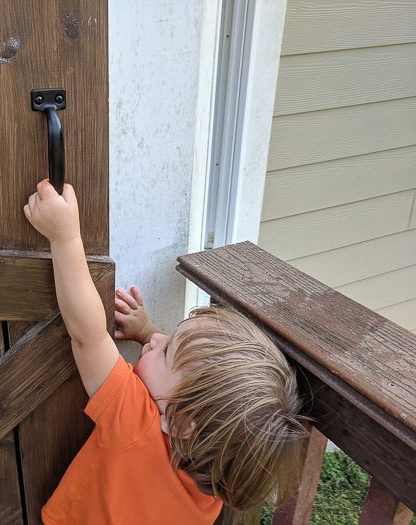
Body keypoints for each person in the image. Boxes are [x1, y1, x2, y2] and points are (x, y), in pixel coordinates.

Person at [23, 179, 310, 525]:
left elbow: (88, 335)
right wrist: (146, 332)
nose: (156, 340)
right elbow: (185, 380)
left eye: (166, 348)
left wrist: (64, 237)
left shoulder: (134, 422)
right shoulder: (211, 496)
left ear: (182, 422)